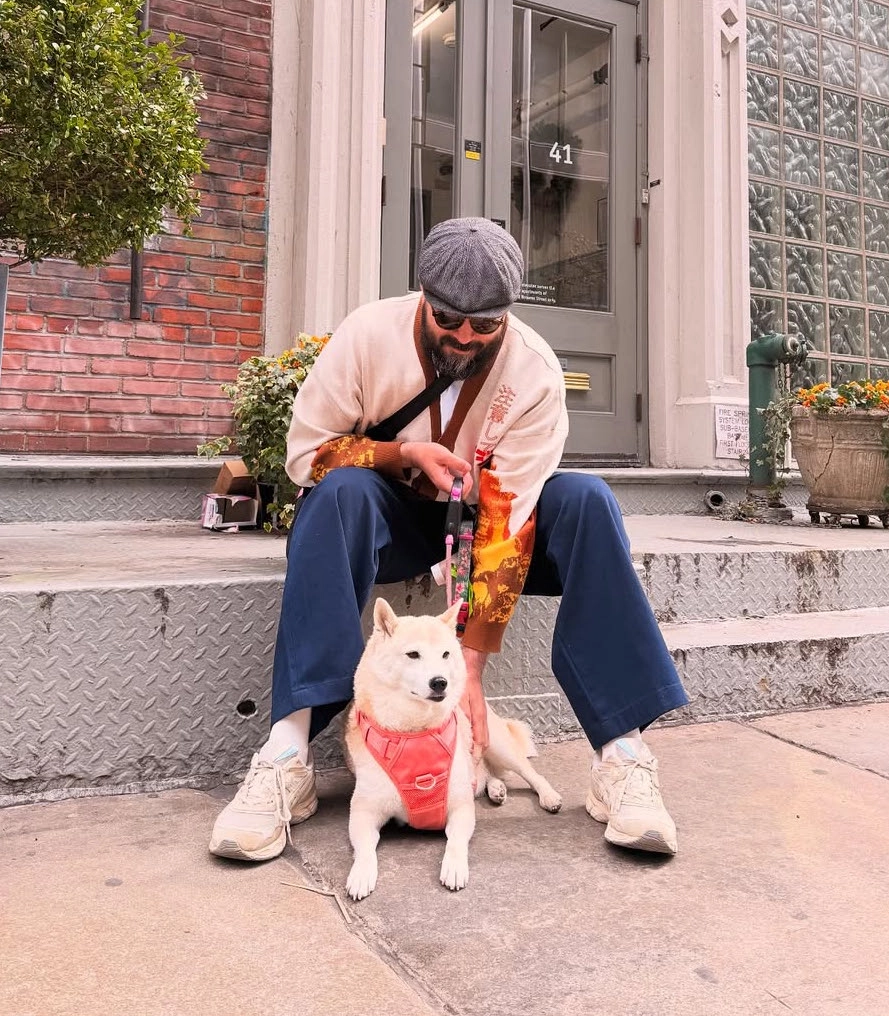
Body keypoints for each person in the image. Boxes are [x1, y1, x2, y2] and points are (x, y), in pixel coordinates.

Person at [209, 217, 688, 862]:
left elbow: (505, 522)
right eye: (448, 319)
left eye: (484, 325)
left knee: (587, 501)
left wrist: (466, 669)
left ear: (506, 316)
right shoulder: (367, 335)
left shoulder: (537, 374)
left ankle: (622, 756)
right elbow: (305, 457)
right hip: (393, 518)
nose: (464, 337)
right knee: (337, 494)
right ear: (424, 298)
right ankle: (288, 755)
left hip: (484, 526)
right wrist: (399, 454)